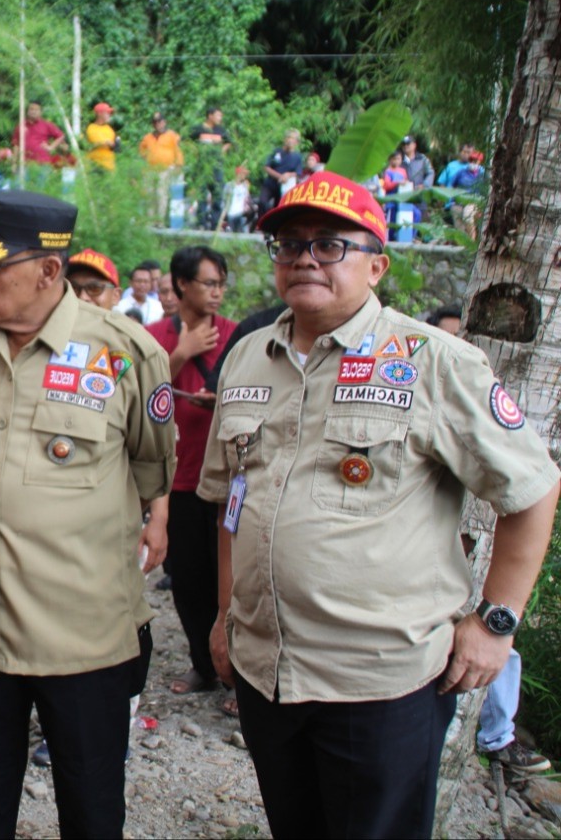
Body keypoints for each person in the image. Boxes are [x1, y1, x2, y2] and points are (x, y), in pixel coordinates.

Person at [201, 169, 561, 838]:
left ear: (377, 265)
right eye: (289, 242)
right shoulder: (250, 355)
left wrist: (496, 622)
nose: (305, 257)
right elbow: (233, 500)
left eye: (330, 244)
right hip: (267, 672)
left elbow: (533, 489)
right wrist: (226, 615)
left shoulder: (434, 362)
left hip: (379, 684)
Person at [0, 191, 175, 837]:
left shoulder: (124, 352)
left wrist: (155, 521)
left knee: (91, 805)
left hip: (83, 637)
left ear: (48, 270)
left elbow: (154, 471)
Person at [145, 246, 237, 713]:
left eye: (221, 283)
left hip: (224, 480)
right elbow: (136, 392)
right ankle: (204, 664)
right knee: (186, 579)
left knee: (235, 579)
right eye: (208, 283)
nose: (217, 292)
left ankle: (240, 675)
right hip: (177, 480)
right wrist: (180, 354)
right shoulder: (152, 336)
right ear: (181, 285)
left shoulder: (239, 337)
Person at [188, 106, 232, 230]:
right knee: (202, 195)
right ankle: (201, 223)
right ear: (210, 116)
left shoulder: (221, 130)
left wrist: (222, 151)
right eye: (218, 115)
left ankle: (215, 224)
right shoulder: (199, 129)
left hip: (216, 166)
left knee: (218, 194)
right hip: (202, 166)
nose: (220, 118)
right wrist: (195, 151)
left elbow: (228, 142)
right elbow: (187, 140)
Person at [138, 112, 184, 224]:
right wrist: (146, 158)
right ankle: (150, 220)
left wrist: (178, 164)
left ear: (164, 122)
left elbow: (178, 150)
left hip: (165, 168)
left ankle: (160, 221)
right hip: (150, 169)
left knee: (161, 194)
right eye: (155, 122)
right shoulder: (148, 137)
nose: (157, 124)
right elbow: (141, 150)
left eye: (159, 121)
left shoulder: (172, 135)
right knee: (149, 195)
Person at [257, 129, 302, 216]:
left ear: (296, 142)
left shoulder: (297, 157)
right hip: (270, 184)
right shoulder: (276, 152)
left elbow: (298, 173)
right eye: (289, 137)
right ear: (285, 139)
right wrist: (279, 176)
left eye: (293, 138)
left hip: (283, 188)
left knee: (278, 209)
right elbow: (266, 167)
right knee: (262, 202)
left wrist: (288, 175)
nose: (290, 140)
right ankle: (260, 225)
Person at [12, 101, 68, 166]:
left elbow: (61, 136)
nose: (34, 111)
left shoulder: (46, 125)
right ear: (27, 112)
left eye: (36, 109)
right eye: (31, 109)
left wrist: (51, 147)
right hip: (25, 163)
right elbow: (16, 145)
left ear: (40, 112)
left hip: (42, 162)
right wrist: (14, 163)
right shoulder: (21, 126)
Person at [85, 103, 119, 172]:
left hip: (109, 167)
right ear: (99, 114)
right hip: (95, 166)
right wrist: (105, 143)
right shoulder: (91, 128)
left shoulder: (110, 129)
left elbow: (116, 148)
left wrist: (115, 145)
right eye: (107, 113)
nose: (109, 115)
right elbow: (92, 144)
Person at [224, 165, 254, 234]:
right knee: (231, 232)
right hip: (231, 213)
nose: (245, 176)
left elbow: (247, 199)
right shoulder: (229, 185)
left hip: (241, 213)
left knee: (244, 231)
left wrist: (247, 189)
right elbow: (225, 199)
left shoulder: (245, 186)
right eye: (243, 174)